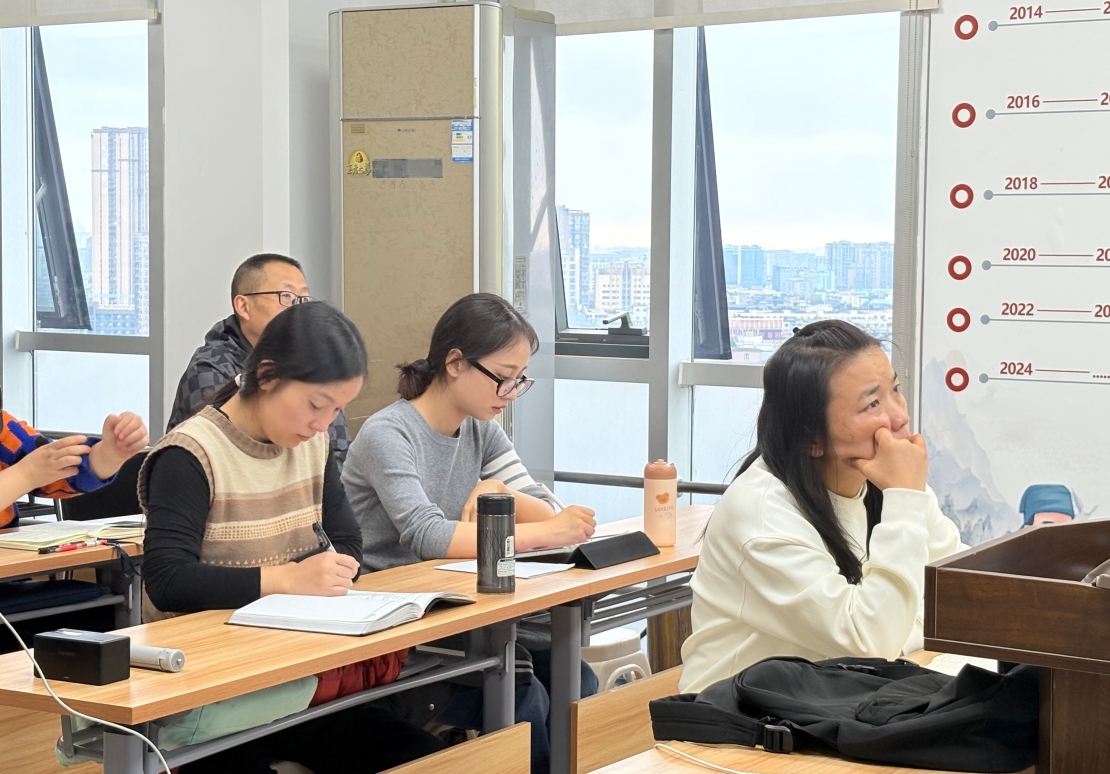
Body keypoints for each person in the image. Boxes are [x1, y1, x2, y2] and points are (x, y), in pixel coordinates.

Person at [140, 302, 442, 774]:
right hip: (209, 692)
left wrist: (329, 572)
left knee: (422, 758)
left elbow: (347, 540)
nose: (323, 424)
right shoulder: (190, 454)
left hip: (294, 676)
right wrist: (287, 580)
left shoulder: (312, 446)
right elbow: (166, 580)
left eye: (337, 410)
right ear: (266, 376)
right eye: (316, 405)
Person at [342, 292, 598, 774]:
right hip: (398, 636)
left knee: (577, 678)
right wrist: (538, 531)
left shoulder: (482, 431)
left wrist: (498, 491)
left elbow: (546, 510)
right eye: (502, 377)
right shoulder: (388, 434)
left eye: (519, 380)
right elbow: (426, 534)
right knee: (525, 693)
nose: (510, 393)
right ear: (455, 362)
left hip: (460, 620)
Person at [679, 320, 965, 695]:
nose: (899, 417)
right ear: (812, 437)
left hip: (837, 702)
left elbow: (959, 592)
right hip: (740, 716)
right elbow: (871, 642)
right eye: (872, 404)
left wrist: (898, 626)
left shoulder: (889, 484)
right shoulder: (761, 515)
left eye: (896, 390)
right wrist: (905, 499)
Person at [167, 253, 350, 463]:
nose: (297, 310)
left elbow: (337, 450)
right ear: (243, 307)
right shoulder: (210, 371)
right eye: (286, 296)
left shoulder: (311, 360)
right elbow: (232, 458)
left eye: (303, 300)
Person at [0, 408, 148, 528]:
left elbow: (55, 466)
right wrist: (26, 475)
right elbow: (33, 469)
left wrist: (109, 454)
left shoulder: (5, 428)